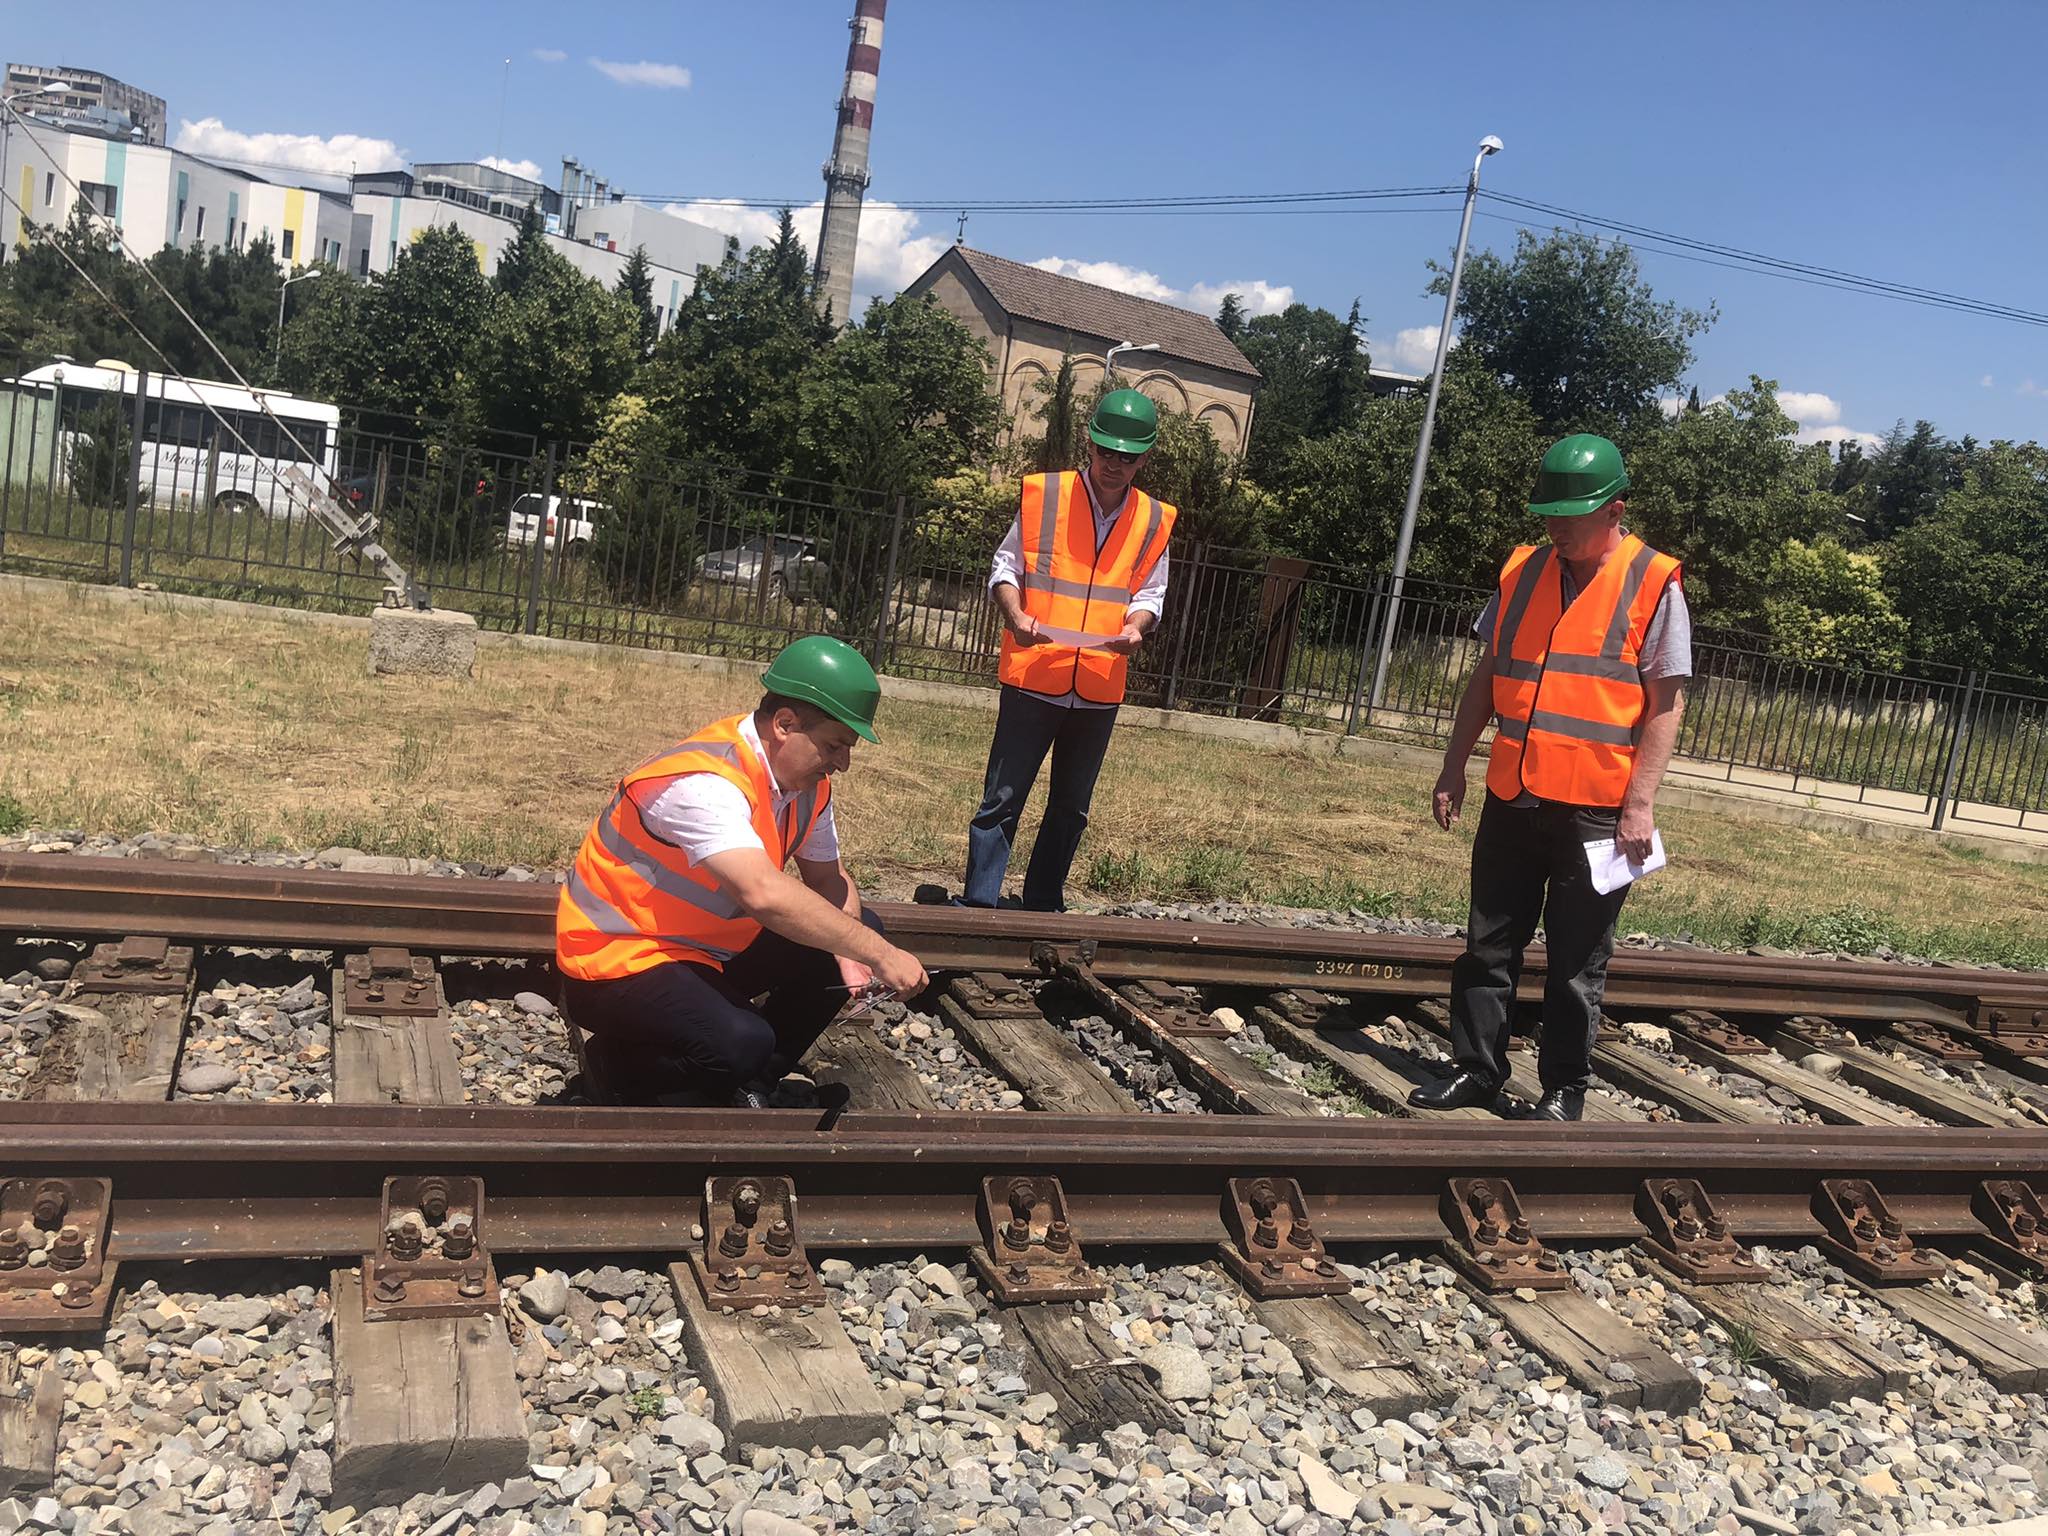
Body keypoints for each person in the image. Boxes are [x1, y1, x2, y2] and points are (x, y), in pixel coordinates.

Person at [1408, 434, 1691, 1122]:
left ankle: (1564, 1089)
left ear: (1615, 508)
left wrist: (1640, 804)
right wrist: (1454, 765)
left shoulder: (1654, 582)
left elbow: (1666, 702)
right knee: (1488, 945)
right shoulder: (1523, 573)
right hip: (1514, 792)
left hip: (1597, 808)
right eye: (1550, 515)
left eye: (1572, 516)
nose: (1557, 528)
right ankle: (1477, 1069)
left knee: (1575, 963)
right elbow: (1487, 677)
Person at [555, 636, 929, 1107]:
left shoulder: (807, 787)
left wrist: (853, 948)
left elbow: (828, 882)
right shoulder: (703, 783)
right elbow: (764, 895)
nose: (844, 763)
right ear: (785, 724)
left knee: (855, 929)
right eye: (835, 745)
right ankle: (615, 1067)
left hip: (701, 951)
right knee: (743, 1040)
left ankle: (752, 1085)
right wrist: (879, 954)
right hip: (615, 961)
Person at [958, 388, 1177, 911]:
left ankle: (1042, 907)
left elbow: (1151, 594)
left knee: (1072, 808)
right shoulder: (1045, 497)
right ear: (1090, 444)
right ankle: (981, 907)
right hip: (1034, 674)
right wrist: (1014, 615)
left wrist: (1137, 627)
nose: (1115, 465)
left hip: (1099, 685)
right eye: (1107, 453)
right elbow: (1004, 569)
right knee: (1001, 801)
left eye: (1128, 457)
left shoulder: (1153, 519)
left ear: (1144, 458)